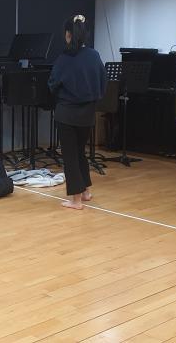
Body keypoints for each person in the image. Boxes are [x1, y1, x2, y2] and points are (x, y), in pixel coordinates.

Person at [48, 15, 107, 210]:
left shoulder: (64, 58)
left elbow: (53, 84)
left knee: (70, 156)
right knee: (80, 153)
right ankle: (86, 191)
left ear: (68, 35)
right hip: (87, 114)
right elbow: (103, 83)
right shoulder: (94, 55)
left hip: (67, 114)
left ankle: (76, 200)